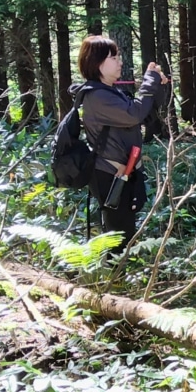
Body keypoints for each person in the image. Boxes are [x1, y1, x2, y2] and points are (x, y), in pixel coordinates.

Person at [74, 36, 168, 253]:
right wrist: (148, 82)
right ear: (97, 62)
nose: (120, 62)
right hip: (109, 174)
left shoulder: (110, 91)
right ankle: (114, 281)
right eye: (113, 57)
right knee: (118, 236)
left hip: (125, 173)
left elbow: (145, 114)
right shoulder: (96, 96)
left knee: (125, 231)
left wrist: (158, 85)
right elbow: (133, 115)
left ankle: (118, 278)